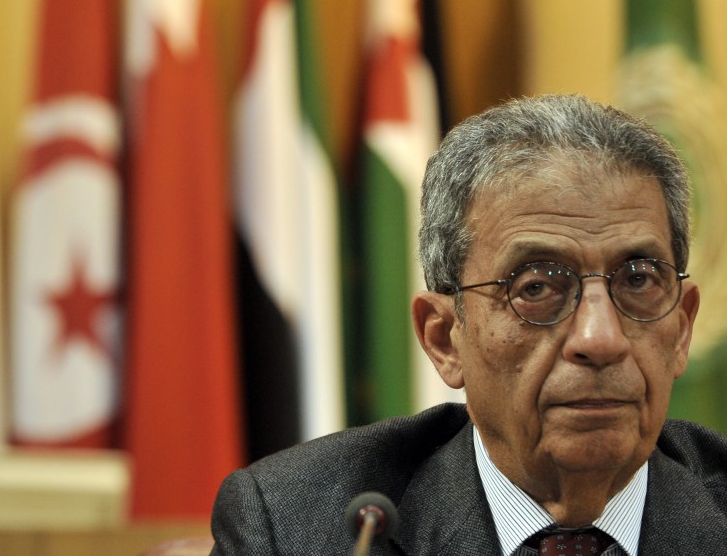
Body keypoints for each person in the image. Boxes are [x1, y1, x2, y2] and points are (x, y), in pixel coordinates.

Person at [210, 94, 727, 554]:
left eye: (638, 280)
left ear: (682, 329)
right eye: (537, 287)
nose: (600, 338)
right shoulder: (294, 529)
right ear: (443, 339)